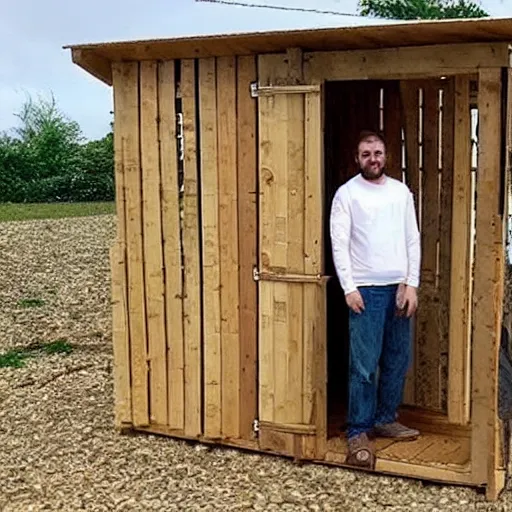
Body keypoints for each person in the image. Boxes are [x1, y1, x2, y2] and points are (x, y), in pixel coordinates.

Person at [329, 130, 421, 470]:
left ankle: (385, 418)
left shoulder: (400, 193)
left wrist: (410, 283)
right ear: (357, 158)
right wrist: (348, 288)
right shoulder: (347, 195)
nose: (373, 158)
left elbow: (412, 239)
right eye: (366, 153)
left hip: (398, 289)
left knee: (397, 360)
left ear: (386, 155)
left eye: (378, 152)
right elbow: (339, 243)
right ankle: (359, 429)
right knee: (364, 366)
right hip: (365, 291)